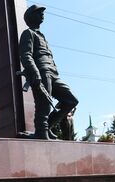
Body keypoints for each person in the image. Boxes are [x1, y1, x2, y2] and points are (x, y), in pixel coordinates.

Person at [19, 5, 78, 140]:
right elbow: (26, 55)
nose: (42, 14)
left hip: (53, 73)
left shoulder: (42, 36)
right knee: (44, 103)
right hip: (41, 70)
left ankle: (48, 126)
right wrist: (35, 72)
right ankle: (41, 131)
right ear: (30, 17)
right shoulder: (28, 33)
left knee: (71, 100)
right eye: (38, 12)